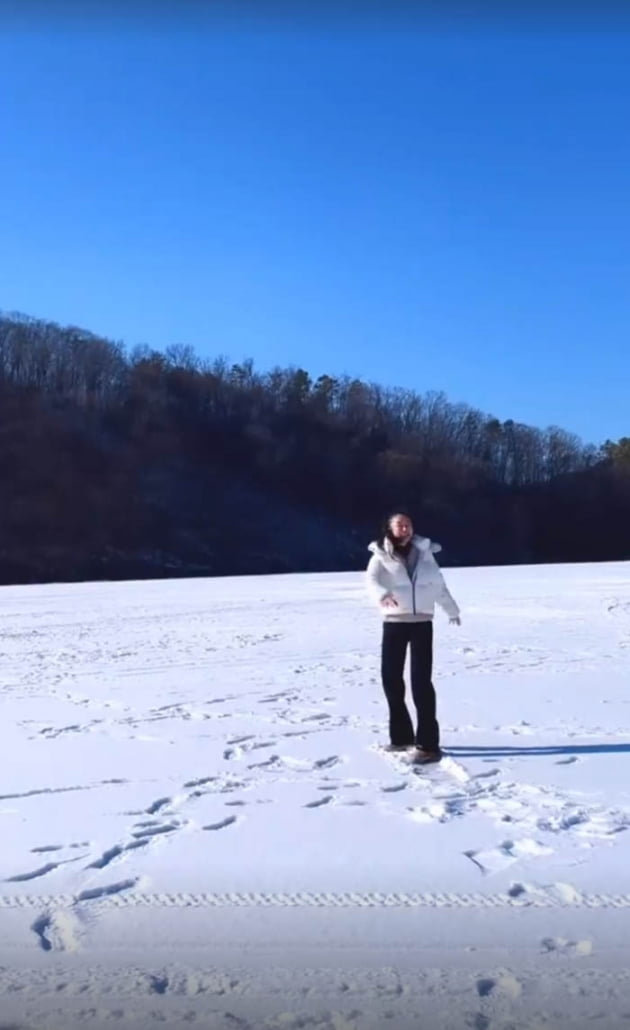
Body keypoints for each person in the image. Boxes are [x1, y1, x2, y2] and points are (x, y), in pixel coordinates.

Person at [365, 511, 461, 763]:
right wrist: (382, 595)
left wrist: (451, 610)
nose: (404, 528)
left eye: (407, 524)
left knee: (421, 683)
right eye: (399, 525)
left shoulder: (426, 553)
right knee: (391, 679)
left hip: (422, 624)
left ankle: (428, 745)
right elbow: (371, 580)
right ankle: (401, 738)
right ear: (390, 528)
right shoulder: (381, 553)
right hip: (394, 622)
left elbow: (437, 584)